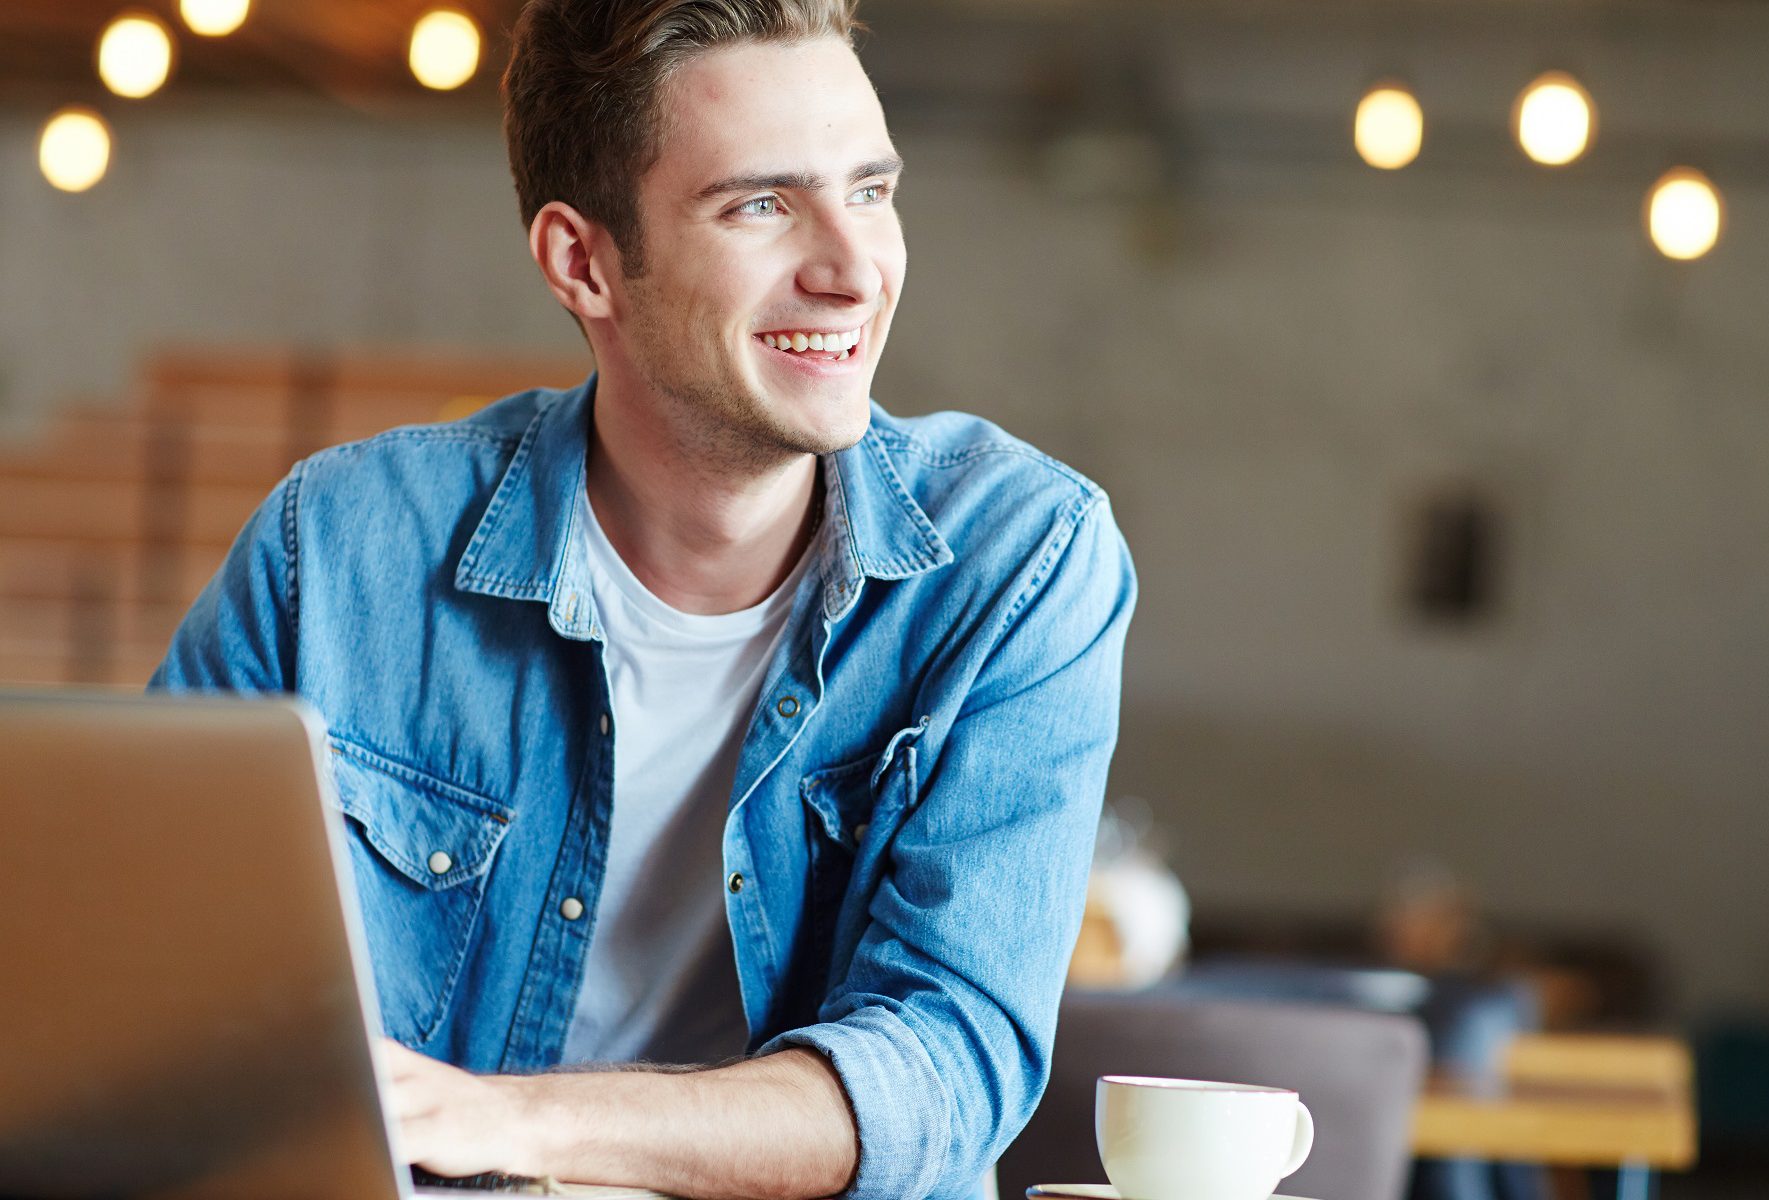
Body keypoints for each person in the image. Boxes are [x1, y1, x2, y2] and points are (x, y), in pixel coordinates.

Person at [148, 2, 1137, 1198]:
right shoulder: (342, 546)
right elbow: (149, 1006)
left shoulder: (1019, 559)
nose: (851, 269)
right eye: (761, 205)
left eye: (870, 192)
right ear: (584, 262)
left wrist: (520, 1127)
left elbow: (944, 1070)